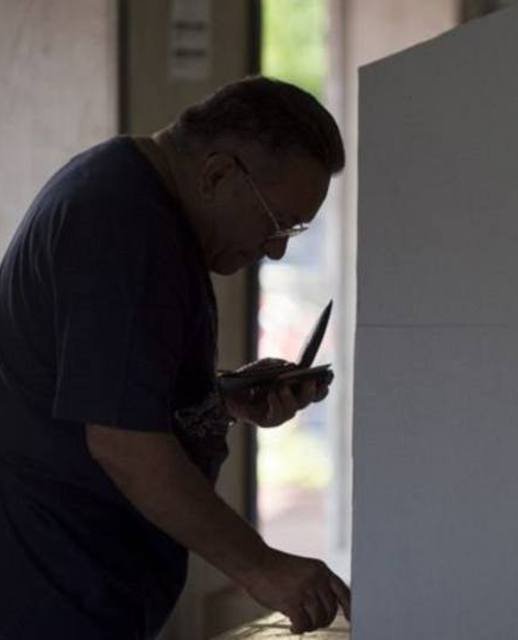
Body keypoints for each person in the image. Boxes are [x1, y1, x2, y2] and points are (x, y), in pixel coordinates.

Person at [0, 76, 350, 639]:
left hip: (89, 577)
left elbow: (106, 383)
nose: (278, 248)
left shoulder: (140, 204)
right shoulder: (123, 226)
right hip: (50, 580)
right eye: (276, 221)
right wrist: (265, 568)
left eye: (295, 229)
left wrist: (220, 397)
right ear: (217, 174)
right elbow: (124, 444)